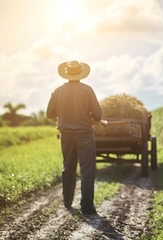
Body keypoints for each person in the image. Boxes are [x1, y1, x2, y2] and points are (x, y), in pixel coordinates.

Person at [46, 60, 106, 215]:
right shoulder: (87, 90)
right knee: (87, 170)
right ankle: (86, 207)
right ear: (81, 73)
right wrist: (90, 117)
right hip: (85, 134)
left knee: (68, 168)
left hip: (66, 135)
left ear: (67, 73)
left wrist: (64, 117)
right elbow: (98, 114)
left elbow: (49, 114)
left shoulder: (58, 91)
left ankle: (67, 203)